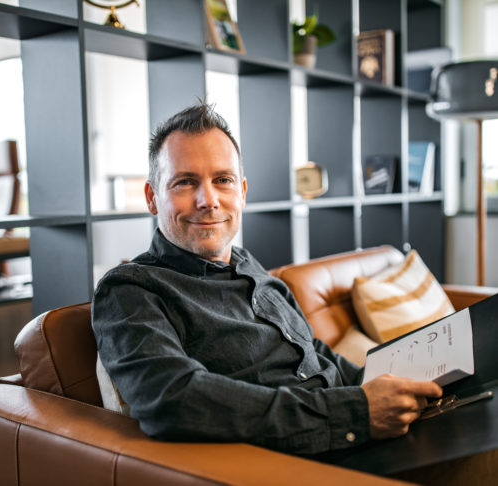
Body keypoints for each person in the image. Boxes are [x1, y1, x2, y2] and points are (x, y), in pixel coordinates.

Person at [91, 102, 442, 457]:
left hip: (362, 433)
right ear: (152, 198)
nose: (208, 200)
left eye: (222, 180)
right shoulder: (130, 290)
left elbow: (313, 354)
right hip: (303, 459)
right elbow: (174, 399)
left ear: (241, 192)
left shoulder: (248, 265)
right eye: (185, 182)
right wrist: (357, 412)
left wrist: (382, 384)